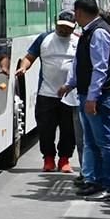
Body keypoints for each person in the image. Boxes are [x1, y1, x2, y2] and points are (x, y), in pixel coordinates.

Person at [59, 0, 110, 202]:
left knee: (105, 142)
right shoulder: (89, 32)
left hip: (100, 96)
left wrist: (93, 98)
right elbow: (80, 63)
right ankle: (95, 181)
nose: (75, 17)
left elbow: (100, 69)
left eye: (75, 13)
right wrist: (70, 84)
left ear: (81, 12)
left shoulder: (99, 32)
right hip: (87, 94)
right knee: (92, 142)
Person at [16, 11, 78, 172]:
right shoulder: (45, 39)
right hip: (47, 94)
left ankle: (64, 159)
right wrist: (23, 67)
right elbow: (30, 57)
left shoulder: (78, 41)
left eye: (68, 28)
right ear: (56, 24)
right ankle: (48, 159)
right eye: (61, 26)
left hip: (70, 95)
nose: (64, 30)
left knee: (68, 130)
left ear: (74, 27)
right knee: (46, 129)